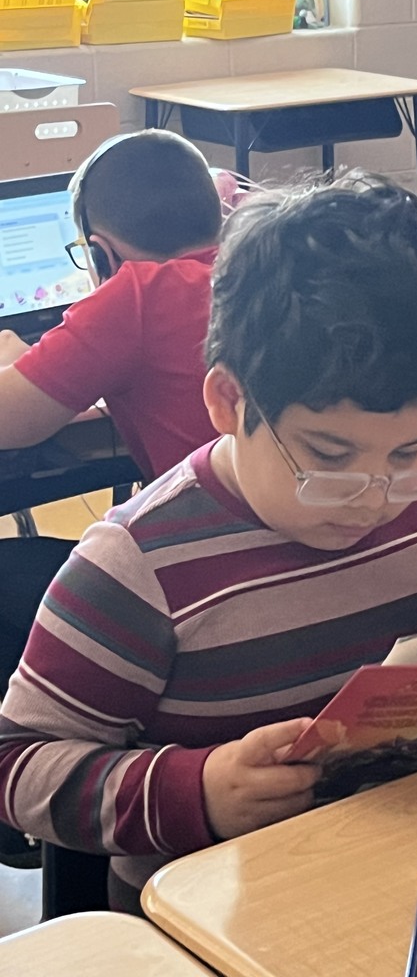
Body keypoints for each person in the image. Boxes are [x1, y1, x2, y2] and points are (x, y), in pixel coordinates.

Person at [0, 173, 417, 914]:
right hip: (223, 916)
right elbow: (18, 766)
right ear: (228, 400)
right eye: (329, 457)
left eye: (406, 449)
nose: (372, 495)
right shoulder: (136, 565)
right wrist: (198, 789)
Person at [0, 130, 222, 865]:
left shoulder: (135, 294)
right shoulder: (258, 268)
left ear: (98, 252)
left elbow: (14, 420)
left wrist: (14, 356)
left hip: (198, 582)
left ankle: (38, 808)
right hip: (279, 557)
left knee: (16, 578)